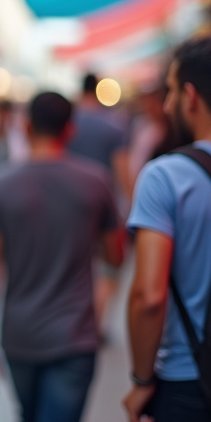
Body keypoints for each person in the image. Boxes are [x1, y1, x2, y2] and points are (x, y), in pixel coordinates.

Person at [0, 92, 124, 422]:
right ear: (70, 130)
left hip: (19, 333)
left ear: (25, 127)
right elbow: (116, 254)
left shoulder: (0, 184)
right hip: (75, 334)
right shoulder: (95, 181)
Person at [123, 34, 211, 422]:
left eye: (170, 91)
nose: (167, 103)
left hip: (189, 384)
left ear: (190, 97)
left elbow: (150, 296)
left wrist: (142, 378)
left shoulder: (165, 176)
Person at [68, 73, 131, 332]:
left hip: (68, 204)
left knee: (75, 264)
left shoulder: (68, 122)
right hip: (105, 205)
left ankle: (76, 318)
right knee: (110, 264)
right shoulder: (115, 126)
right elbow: (122, 170)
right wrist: (132, 205)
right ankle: (96, 320)